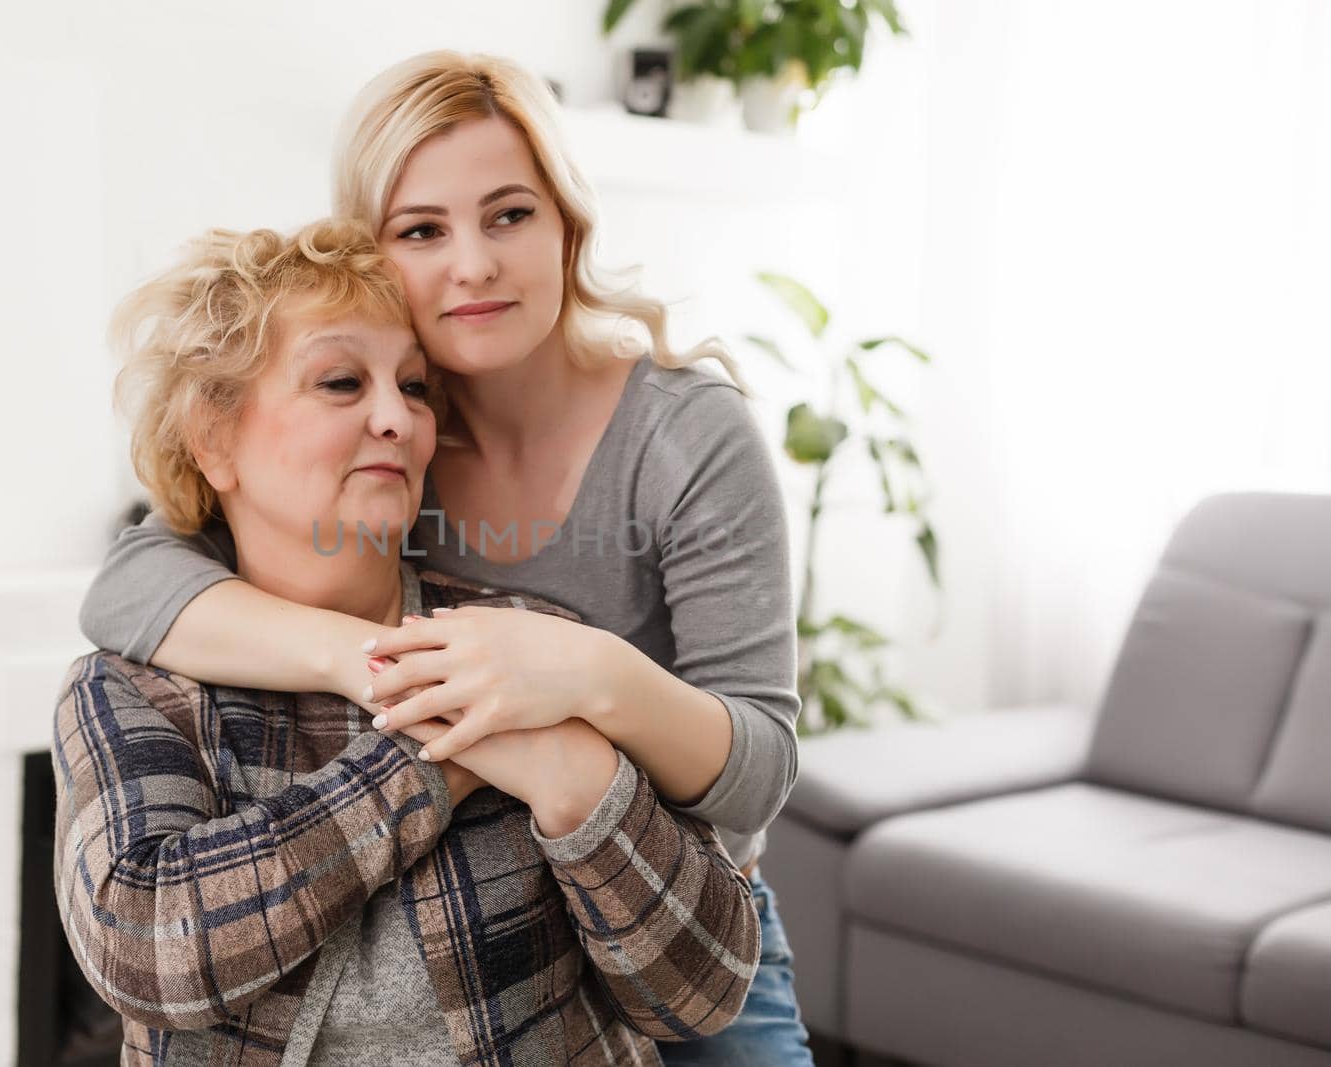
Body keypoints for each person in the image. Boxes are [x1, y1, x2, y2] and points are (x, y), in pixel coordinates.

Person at [79, 51, 812, 1065]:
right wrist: (387, 672)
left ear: (566, 228)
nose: (472, 263)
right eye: (422, 230)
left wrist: (583, 678)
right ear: (374, 255)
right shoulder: (391, 433)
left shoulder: (681, 436)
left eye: (509, 214)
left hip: (674, 905)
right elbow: (129, 586)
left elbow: (756, 772)